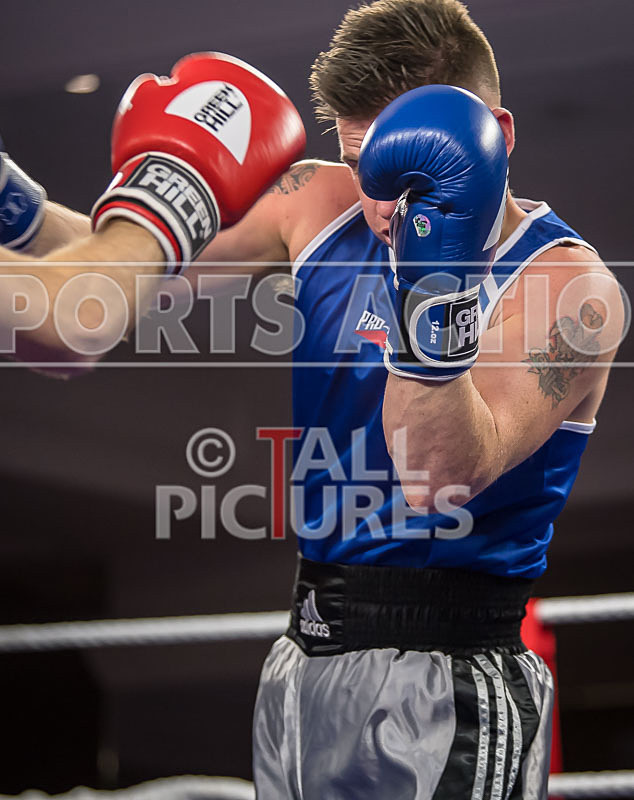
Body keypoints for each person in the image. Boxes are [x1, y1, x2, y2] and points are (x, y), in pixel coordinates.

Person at [0, 1, 624, 798]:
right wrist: (11, 203)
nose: (381, 205)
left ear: (494, 137)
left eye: (408, 179)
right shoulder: (316, 202)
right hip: (304, 652)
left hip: (451, 676)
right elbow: (125, 273)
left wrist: (437, 275)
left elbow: (437, 473)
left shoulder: (569, 291)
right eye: (365, 169)